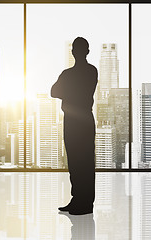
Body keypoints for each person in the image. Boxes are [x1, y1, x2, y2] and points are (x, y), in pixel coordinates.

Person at [51, 37, 98, 215]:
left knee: (81, 162)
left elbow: (56, 91)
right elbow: (53, 92)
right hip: (82, 119)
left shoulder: (68, 74)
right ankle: (78, 199)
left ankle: (85, 204)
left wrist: (67, 91)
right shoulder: (90, 71)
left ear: (73, 52)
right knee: (78, 162)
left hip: (75, 121)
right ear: (87, 51)